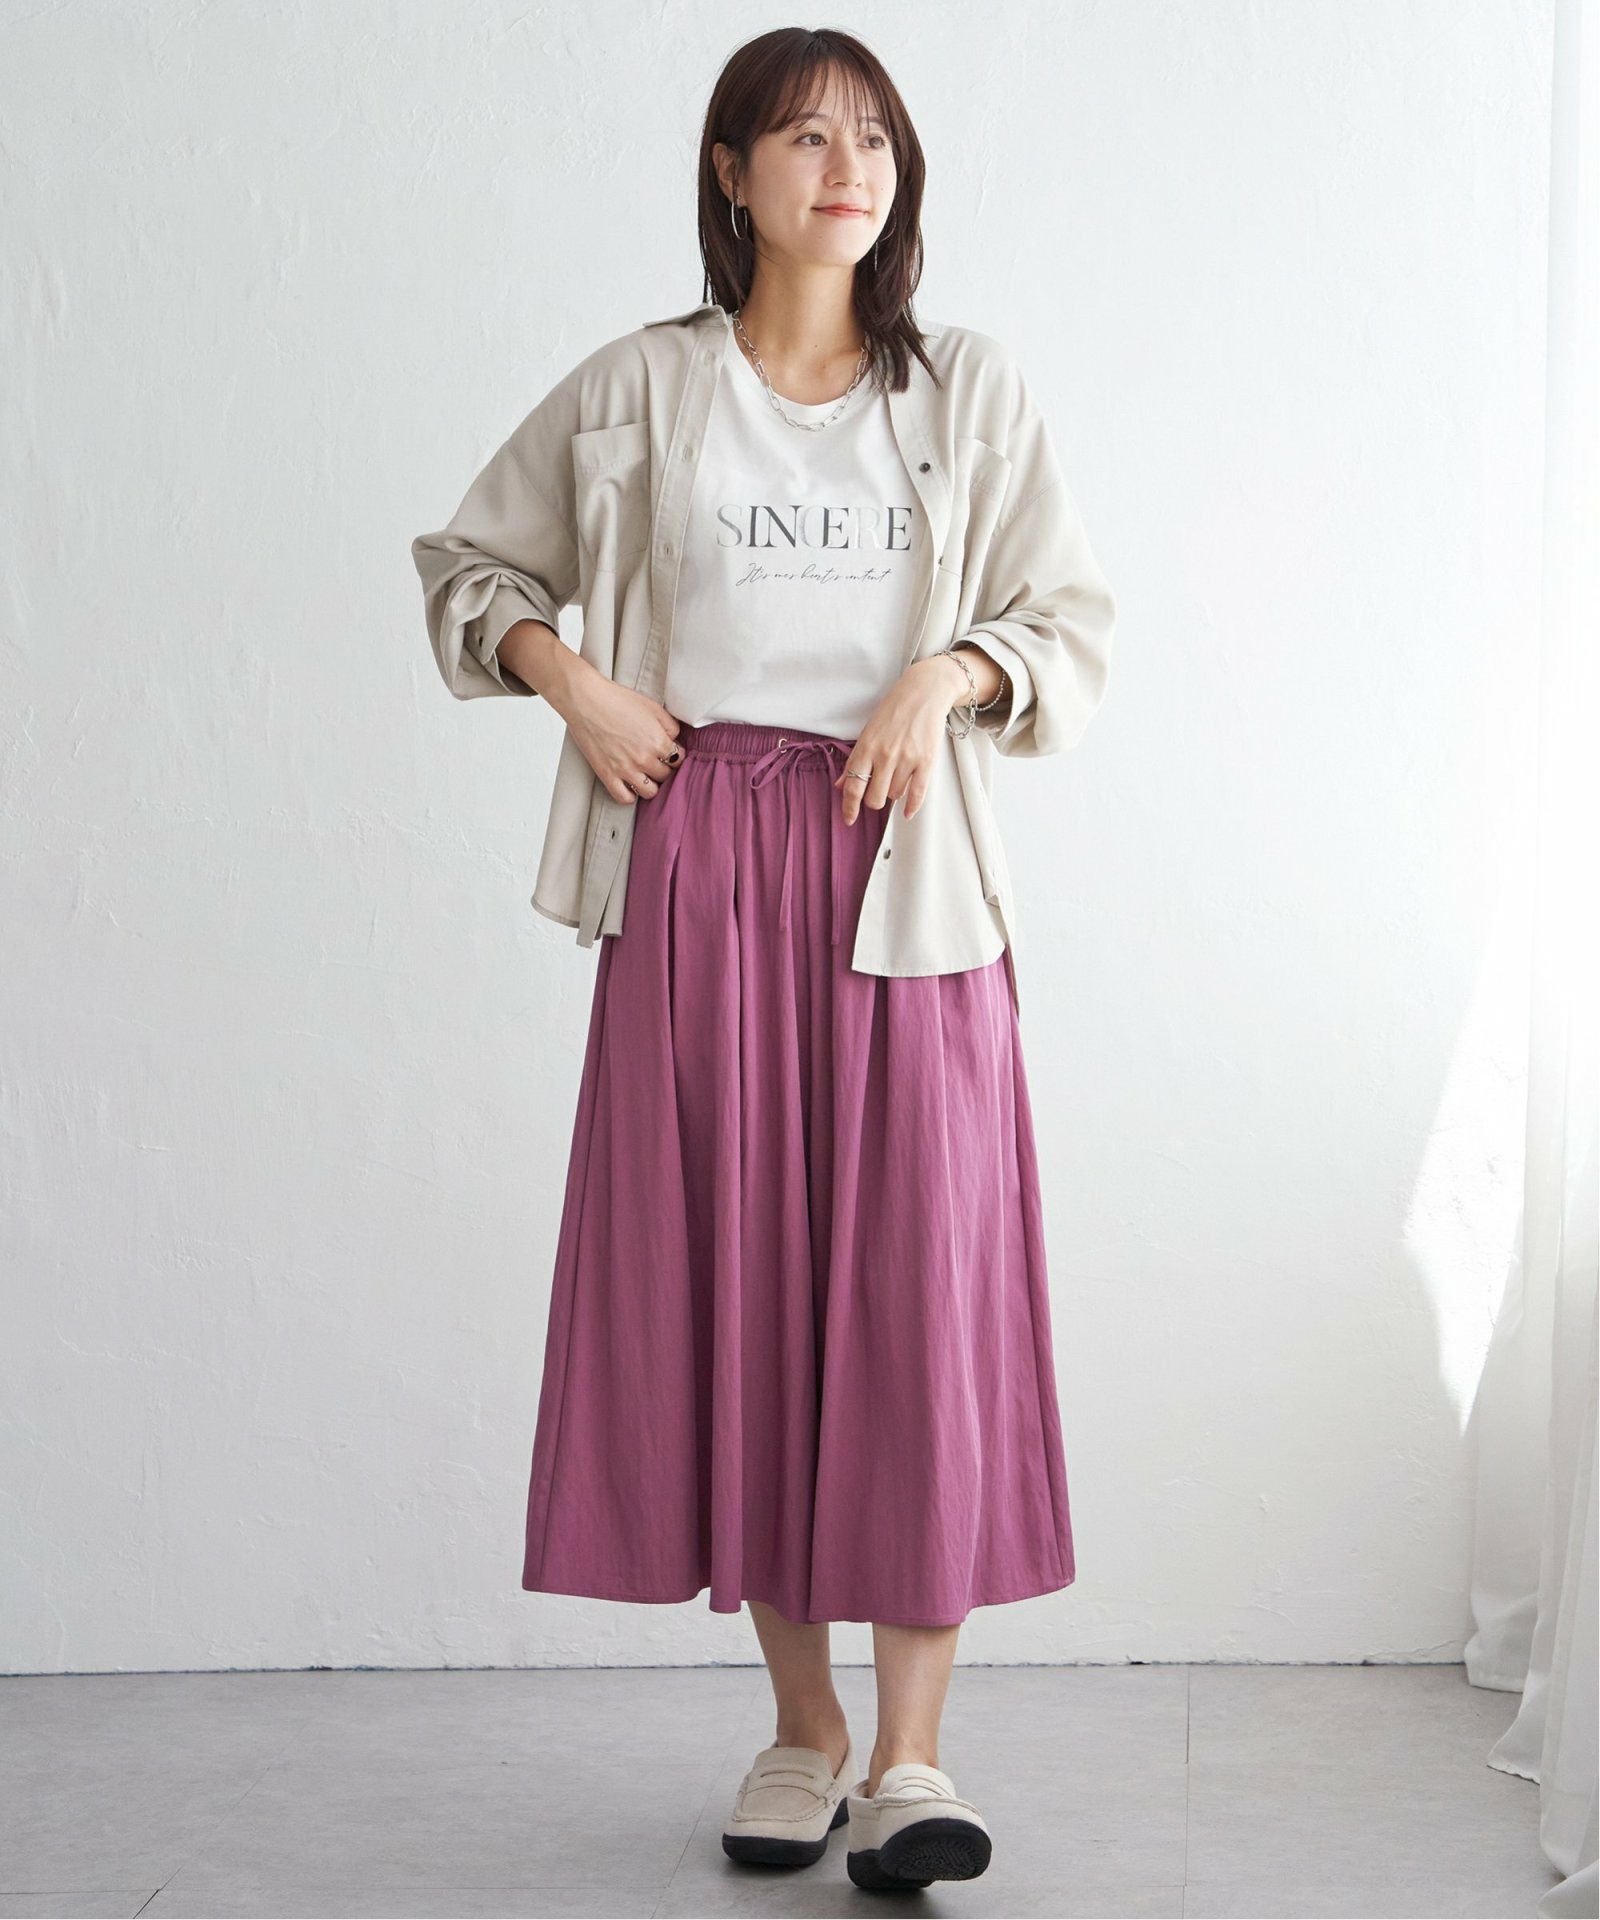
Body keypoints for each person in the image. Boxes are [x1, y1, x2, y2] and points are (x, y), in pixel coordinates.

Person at [411, 25, 1117, 1892]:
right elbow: (469, 568)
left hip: (910, 879)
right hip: (703, 867)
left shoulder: (964, 390)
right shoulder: (645, 388)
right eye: (804, 137)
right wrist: (575, 685)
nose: (846, 167)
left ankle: (911, 1759)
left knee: (918, 1299)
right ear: (731, 173)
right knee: (747, 1292)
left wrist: (950, 670)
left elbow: (1066, 623)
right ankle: (802, 1732)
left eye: (874, 137)